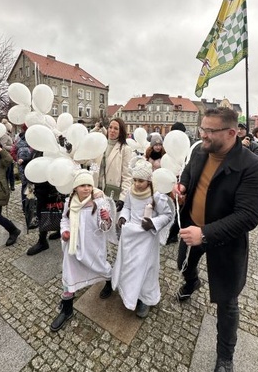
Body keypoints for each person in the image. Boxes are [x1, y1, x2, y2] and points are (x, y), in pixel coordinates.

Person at [174, 108, 258, 372]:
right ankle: (192, 282)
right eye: (202, 128)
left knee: (227, 302)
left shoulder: (253, 167)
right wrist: (181, 189)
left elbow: (247, 217)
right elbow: (189, 177)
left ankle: (225, 358)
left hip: (224, 242)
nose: (202, 134)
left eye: (209, 130)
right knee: (186, 267)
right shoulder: (200, 152)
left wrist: (205, 233)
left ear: (232, 133)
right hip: (192, 229)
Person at [50, 170, 113, 332]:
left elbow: (104, 227)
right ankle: (67, 308)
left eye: (89, 185)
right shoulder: (69, 203)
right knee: (68, 276)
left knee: (101, 268)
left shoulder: (99, 204)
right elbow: (65, 218)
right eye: (82, 185)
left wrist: (106, 219)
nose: (86, 189)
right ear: (75, 188)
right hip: (73, 247)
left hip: (92, 246)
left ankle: (109, 281)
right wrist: (64, 232)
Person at [112, 159, 173, 318]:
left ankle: (145, 298)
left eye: (141, 181)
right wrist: (123, 218)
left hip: (146, 238)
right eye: (135, 180)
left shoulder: (157, 196)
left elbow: (167, 215)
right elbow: (127, 207)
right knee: (130, 265)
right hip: (131, 236)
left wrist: (152, 223)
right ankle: (129, 292)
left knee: (145, 267)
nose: (137, 184)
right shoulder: (131, 192)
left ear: (149, 180)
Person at [94, 118, 132, 213]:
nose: (112, 130)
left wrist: (122, 198)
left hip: (112, 193)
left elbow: (127, 176)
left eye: (116, 128)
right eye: (110, 127)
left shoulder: (125, 149)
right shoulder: (100, 144)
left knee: (109, 223)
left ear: (121, 131)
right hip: (96, 190)